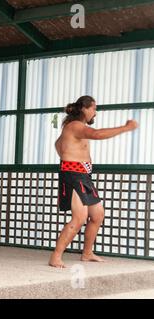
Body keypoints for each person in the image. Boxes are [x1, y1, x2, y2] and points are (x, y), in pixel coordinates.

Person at [49, 95, 138, 268]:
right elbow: (97, 134)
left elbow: (57, 144)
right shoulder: (76, 126)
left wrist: (69, 156)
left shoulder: (71, 128)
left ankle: (87, 253)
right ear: (84, 108)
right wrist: (126, 128)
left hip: (84, 176)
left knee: (97, 215)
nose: (95, 112)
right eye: (94, 108)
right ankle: (56, 257)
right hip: (74, 175)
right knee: (79, 218)